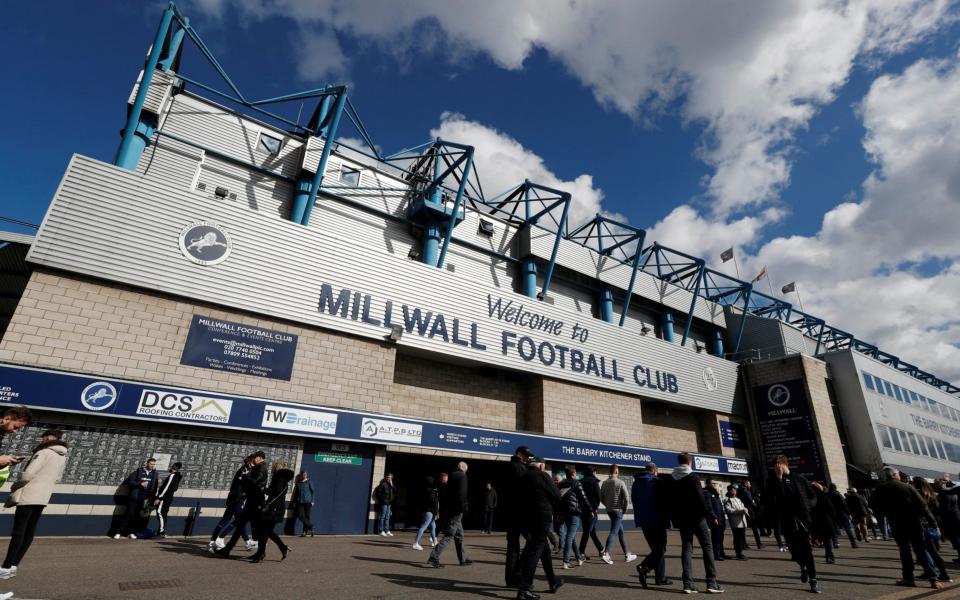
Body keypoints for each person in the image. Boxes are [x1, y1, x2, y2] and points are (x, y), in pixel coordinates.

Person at [0, 428, 66, 580]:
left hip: (29, 495)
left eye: (44, 438)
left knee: (18, 531)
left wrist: (15, 486)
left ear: (50, 438)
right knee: (29, 532)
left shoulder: (43, 452)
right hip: (43, 497)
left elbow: (28, 474)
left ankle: (5, 566)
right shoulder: (62, 456)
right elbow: (58, 478)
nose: (42, 440)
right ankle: (14, 565)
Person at [874, 466, 942, 589]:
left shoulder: (879, 489)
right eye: (898, 474)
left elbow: (876, 508)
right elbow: (923, 507)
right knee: (921, 551)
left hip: (896, 523)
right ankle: (934, 579)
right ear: (895, 475)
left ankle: (908, 578)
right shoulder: (907, 487)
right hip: (913, 522)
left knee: (904, 551)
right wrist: (934, 523)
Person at [669, 453, 723, 594]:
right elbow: (700, 498)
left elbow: (671, 499)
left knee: (687, 548)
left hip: (683, 518)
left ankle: (688, 584)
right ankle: (711, 582)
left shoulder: (672, 478)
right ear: (690, 462)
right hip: (697, 518)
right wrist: (710, 515)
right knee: (707, 546)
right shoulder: (693, 477)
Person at [769, 454, 821, 594]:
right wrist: (779, 479)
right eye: (774, 468)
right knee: (794, 551)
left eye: (777, 466)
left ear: (784, 465)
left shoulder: (799, 478)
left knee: (807, 551)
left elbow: (813, 495)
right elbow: (777, 497)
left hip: (802, 520)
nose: (776, 469)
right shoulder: (774, 481)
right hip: (787, 521)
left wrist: (808, 506)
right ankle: (802, 566)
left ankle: (813, 580)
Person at [517, 456, 563, 600]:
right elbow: (556, 495)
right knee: (534, 551)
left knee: (544, 551)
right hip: (541, 517)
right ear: (541, 466)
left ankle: (552, 582)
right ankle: (524, 589)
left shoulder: (523, 477)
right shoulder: (542, 476)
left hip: (527, 518)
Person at [215, 451, 269, 557]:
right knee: (241, 523)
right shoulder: (259, 467)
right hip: (252, 499)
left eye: (255, 457)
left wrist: (245, 476)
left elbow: (255, 482)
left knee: (250, 524)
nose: (253, 459)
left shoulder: (260, 468)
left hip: (254, 500)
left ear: (259, 458)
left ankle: (261, 549)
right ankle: (227, 546)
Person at [632, 462, 670, 588]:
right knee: (660, 549)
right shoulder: (656, 481)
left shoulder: (636, 483)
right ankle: (644, 567)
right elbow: (664, 501)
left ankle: (660, 577)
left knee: (656, 549)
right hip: (657, 519)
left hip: (643, 520)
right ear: (654, 471)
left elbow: (634, 501)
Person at [248, 462, 294, 563]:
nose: (272, 468)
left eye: (273, 467)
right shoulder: (283, 479)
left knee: (264, 531)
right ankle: (280, 548)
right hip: (276, 508)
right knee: (267, 531)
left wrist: (264, 489)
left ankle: (261, 553)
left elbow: (275, 492)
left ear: (277, 468)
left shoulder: (279, 479)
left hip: (273, 509)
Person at [209, 455, 256, 552]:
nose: (254, 464)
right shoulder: (245, 470)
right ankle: (220, 538)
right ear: (249, 462)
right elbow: (243, 484)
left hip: (234, 498)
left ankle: (212, 542)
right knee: (239, 520)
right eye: (253, 462)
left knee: (228, 520)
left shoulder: (244, 469)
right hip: (237, 499)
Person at [428, 461, 471, 567]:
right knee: (449, 535)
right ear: (465, 469)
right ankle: (434, 556)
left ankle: (463, 558)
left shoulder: (452, 475)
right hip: (457, 509)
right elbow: (462, 493)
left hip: (449, 508)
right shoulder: (462, 477)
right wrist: (463, 508)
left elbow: (448, 493)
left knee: (459, 535)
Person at [911, 477, 951, 583]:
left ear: (916, 484)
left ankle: (930, 573)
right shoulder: (932, 494)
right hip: (932, 525)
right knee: (933, 552)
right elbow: (937, 510)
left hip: (922, 525)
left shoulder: (917, 494)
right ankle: (944, 573)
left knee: (924, 552)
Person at [505, 446, 532, 587]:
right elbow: (526, 491)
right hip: (520, 512)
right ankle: (518, 574)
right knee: (532, 542)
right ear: (519, 454)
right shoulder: (520, 468)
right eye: (526, 455)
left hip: (511, 512)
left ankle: (510, 579)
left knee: (513, 546)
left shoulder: (510, 466)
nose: (527, 458)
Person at [599, 464, 637, 564]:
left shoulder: (604, 483)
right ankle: (606, 553)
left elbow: (601, 497)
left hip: (609, 510)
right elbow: (626, 497)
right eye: (618, 470)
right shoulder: (620, 482)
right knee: (614, 532)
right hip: (618, 510)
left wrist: (607, 504)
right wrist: (624, 509)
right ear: (616, 471)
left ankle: (627, 554)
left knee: (621, 532)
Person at [114, 457, 158, 539]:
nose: (152, 466)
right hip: (134, 497)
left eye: (154, 464)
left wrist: (153, 498)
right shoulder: (139, 471)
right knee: (128, 515)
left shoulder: (154, 474)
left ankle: (131, 532)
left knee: (136, 517)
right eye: (151, 464)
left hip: (144, 499)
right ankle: (118, 532)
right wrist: (140, 484)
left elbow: (155, 487)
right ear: (147, 463)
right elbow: (130, 482)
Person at [557, 465, 588, 569]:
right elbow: (583, 498)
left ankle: (579, 558)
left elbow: (558, 500)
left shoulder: (561, 484)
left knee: (572, 535)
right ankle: (566, 561)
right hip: (574, 512)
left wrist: (558, 513)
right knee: (570, 536)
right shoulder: (576, 483)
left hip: (564, 513)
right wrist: (590, 510)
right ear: (574, 474)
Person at [578, 465, 604, 560]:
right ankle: (580, 552)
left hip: (582, 510)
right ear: (593, 472)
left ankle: (601, 549)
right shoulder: (593, 482)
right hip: (591, 511)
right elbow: (598, 496)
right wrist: (594, 508)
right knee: (587, 531)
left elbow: (578, 497)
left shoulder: (580, 482)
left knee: (591, 531)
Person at [152, 462, 182, 539]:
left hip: (164, 499)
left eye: (172, 466)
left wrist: (159, 498)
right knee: (163, 515)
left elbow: (166, 488)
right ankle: (161, 531)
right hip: (168, 498)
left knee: (160, 513)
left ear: (174, 468)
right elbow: (174, 488)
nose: (170, 467)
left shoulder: (173, 476)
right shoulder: (177, 477)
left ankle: (161, 532)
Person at [810, 482, 838, 564]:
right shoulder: (824, 497)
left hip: (815, 521)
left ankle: (828, 554)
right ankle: (829, 556)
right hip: (826, 521)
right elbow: (831, 510)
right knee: (827, 539)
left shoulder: (810, 498)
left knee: (821, 538)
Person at [827, 483, 857, 548]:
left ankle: (836, 542)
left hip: (832, 515)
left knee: (834, 529)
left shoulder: (827, 495)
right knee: (848, 529)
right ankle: (853, 543)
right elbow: (844, 505)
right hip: (842, 514)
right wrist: (849, 514)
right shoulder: (838, 494)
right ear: (835, 488)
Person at [412, 476, 439, 551]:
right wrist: (436, 511)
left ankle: (435, 542)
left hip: (425, 511)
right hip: (430, 511)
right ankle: (416, 543)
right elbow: (433, 502)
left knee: (433, 526)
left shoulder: (423, 490)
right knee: (423, 527)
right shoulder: (432, 491)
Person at [723, 485, 748, 560]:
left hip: (742, 521)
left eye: (735, 490)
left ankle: (740, 552)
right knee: (737, 538)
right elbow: (728, 510)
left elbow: (742, 507)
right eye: (733, 490)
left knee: (741, 538)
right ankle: (738, 553)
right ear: (729, 491)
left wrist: (744, 509)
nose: (735, 491)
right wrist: (740, 511)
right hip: (735, 522)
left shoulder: (738, 499)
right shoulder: (727, 500)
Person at [704, 480, 728, 560]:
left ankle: (722, 553)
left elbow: (720, 507)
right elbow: (709, 507)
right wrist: (713, 517)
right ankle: (716, 555)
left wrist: (723, 518)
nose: (714, 485)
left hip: (721, 518)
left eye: (715, 483)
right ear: (708, 484)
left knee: (721, 538)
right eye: (713, 483)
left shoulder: (715, 493)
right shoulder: (707, 493)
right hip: (715, 519)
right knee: (716, 538)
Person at [738, 481, 763, 550]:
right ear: (746, 484)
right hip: (750, 511)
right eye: (749, 484)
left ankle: (744, 544)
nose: (750, 485)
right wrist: (757, 508)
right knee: (755, 528)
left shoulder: (739, 491)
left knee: (743, 529)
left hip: (742, 511)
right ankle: (759, 544)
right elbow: (751, 502)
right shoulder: (746, 492)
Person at [291, 470, 314, 537]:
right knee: (301, 516)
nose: (304, 475)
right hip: (300, 501)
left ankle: (304, 532)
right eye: (303, 474)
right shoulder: (299, 483)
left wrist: (312, 501)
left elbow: (313, 492)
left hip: (308, 502)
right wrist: (294, 502)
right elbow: (296, 494)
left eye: (305, 474)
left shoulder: (309, 481)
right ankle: (311, 526)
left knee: (307, 516)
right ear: (301, 475)